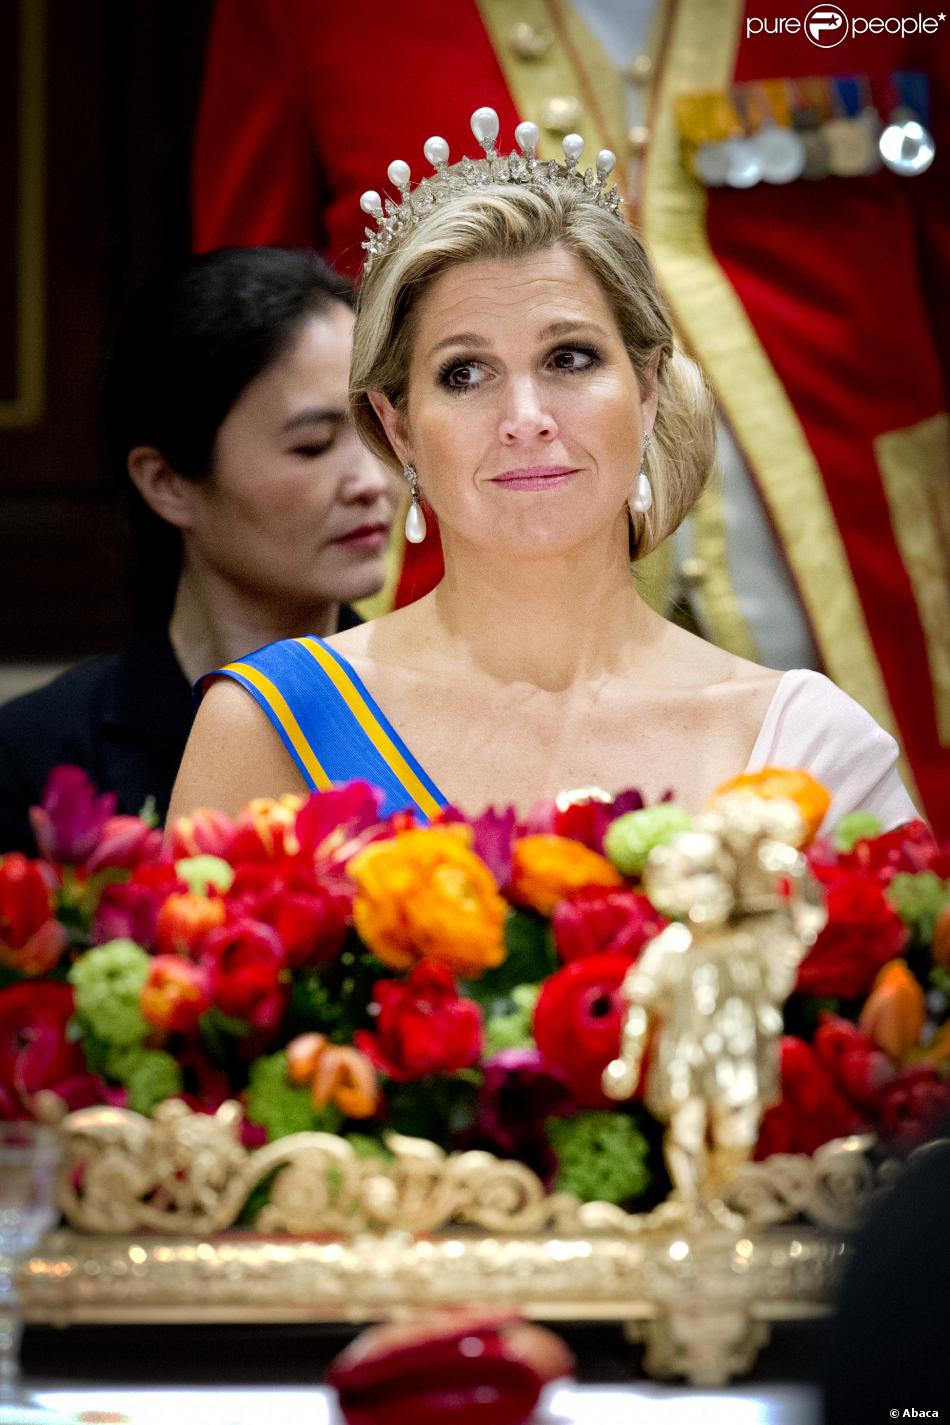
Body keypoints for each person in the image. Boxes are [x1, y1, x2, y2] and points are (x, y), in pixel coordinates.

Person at [190, 0, 950, 834]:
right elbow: (246, 347)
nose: (526, 417)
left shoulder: (822, 735)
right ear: (394, 423)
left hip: (868, 608)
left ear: (651, 385)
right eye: (464, 372)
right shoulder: (266, 727)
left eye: (572, 359)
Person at [0, 247, 399, 852]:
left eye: (377, 431)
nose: (372, 481)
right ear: (167, 483)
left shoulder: (430, 714)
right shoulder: (36, 759)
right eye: (314, 445)